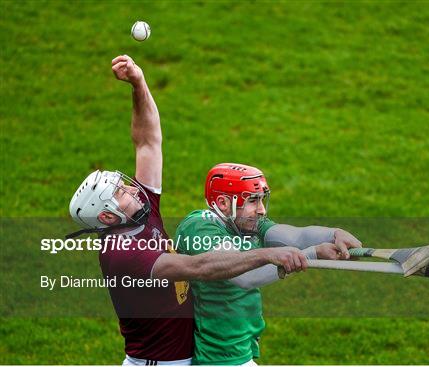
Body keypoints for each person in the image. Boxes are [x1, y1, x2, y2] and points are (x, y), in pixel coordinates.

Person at [67, 56, 308, 366]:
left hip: (186, 356)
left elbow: (147, 143)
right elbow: (200, 267)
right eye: (119, 192)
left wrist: (139, 85)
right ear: (107, 217)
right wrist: (267, 254)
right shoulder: (123, 253)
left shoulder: (139, 208)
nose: (130, 188)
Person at [175, 163, 364, 365]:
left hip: (237, 349)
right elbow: (245, 277)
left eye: (262, 199)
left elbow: (295, 235)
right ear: (223, 203)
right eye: (253, 201)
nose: (262, 210)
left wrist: (333, 233)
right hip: (217, 355)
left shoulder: (244, 222)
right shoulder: (199, 228)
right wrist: (311, 254)